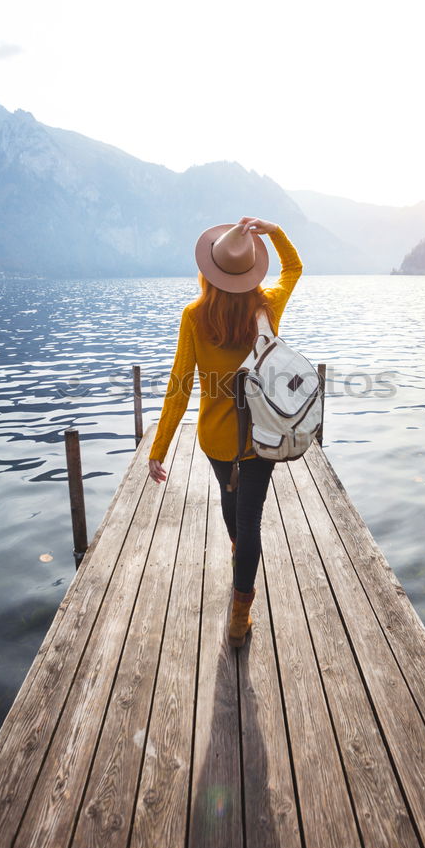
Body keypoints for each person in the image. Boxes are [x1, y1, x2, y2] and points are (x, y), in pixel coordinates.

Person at [148, 215, 303, 646]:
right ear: (252, 269)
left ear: (209, 270)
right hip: (263, 436)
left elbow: (179, 387)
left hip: (216, 441)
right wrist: (276, 232)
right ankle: (240, 617)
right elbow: (294, 269)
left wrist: (158, 447)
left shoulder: (194, 316)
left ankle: (239, 556)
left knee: (231, 501)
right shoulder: (268, 305)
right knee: (251, 516)